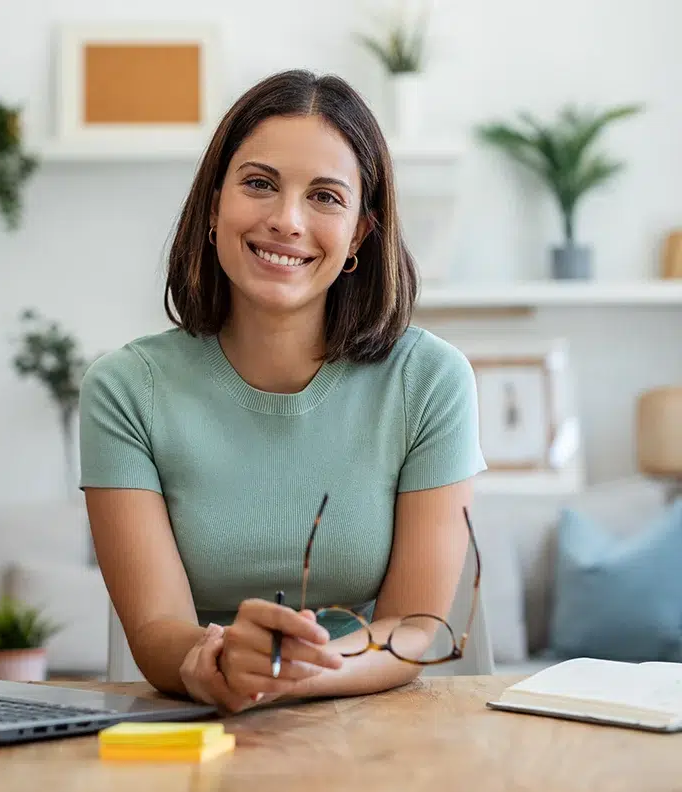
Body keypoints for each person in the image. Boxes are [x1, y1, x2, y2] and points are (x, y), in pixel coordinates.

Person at [78, 68, 486, 714]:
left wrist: (291, 671)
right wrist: (215, 664)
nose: (287, 220)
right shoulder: (125, 391)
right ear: (214, 206)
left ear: (358, 234)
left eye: (325, 197)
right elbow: (156, 634)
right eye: (260, 184)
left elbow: (415, 628)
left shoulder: (431, 381)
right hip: (202, 730)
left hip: (379, 738)